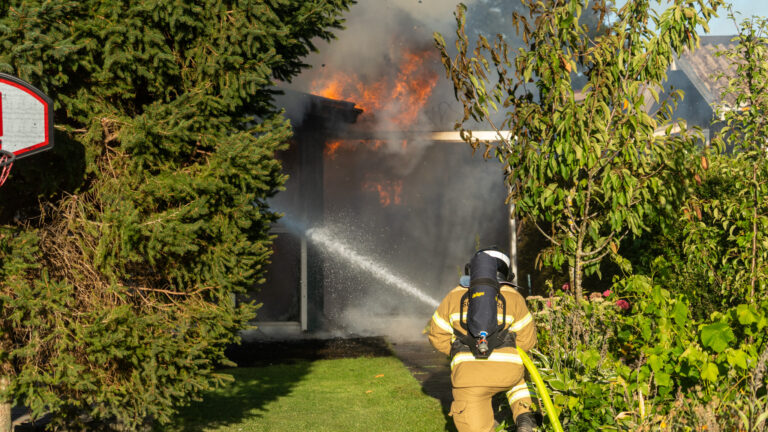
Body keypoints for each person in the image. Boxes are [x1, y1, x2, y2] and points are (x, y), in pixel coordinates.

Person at [428, 248, 538, 432]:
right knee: (518, 380)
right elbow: (527, 341)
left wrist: (459, 351)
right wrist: (505, 349)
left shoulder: (453, 296)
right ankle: (524, 415)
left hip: (469, 379)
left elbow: (437, 337)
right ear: (506, 273)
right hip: (507, 372)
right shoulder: (514, 297)